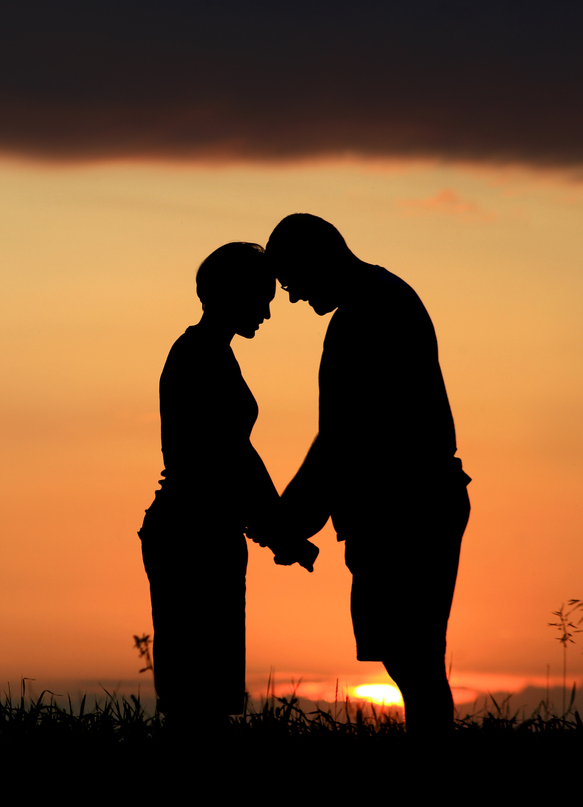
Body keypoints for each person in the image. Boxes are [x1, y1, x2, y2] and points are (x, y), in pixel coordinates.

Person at [265, 213, 471, 736]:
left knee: (413, 657)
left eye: (292, 282)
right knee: (412, 658)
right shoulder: (382, 297)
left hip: (407, 508)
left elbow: (343, 436)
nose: (290, 299)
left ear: (319, 258)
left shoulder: (366, 313)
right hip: (411, 503)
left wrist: (290, 518)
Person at [138, 242, 314, 728]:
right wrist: (278, 529)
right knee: (197, 699)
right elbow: (226, 459)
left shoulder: (209, 353)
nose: (267, 313)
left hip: (203, 530)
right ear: (233, 295)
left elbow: (235, 459)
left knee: (206, 696)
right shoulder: (199, 356)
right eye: (263, 299)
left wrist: (275, 527)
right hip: (191, 533)